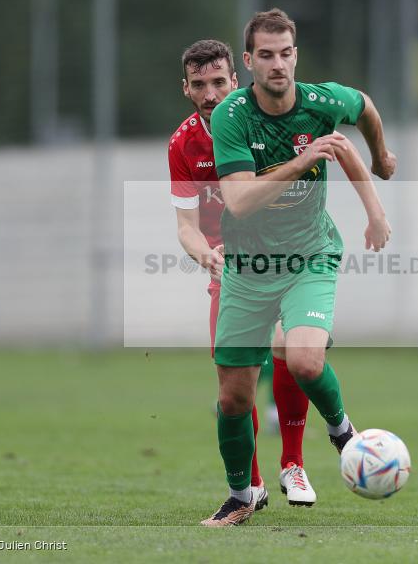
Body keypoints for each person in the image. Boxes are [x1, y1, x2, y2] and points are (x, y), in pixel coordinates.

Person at [201, 8, 395, 527]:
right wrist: (304, 161)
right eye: (265, 55)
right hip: (247, 266)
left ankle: (341, 432)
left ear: (295, 56)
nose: (278, 64)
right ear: (248, 61)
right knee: (233, 394)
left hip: (309, 255)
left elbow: (366, 108)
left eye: (285, 53)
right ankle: (242, 496)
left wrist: (380, 160)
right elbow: (239, 203)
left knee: (305, 360)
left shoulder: (322, 100)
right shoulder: (232, 116)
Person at [167, 39, 317, 512]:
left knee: (290, 351)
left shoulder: (266, 123)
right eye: (199, 85)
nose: (210, 94)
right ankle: (250, 488)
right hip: (230, 271)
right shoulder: (182, 145)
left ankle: (292, 462)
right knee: (235, 389)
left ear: (236, 81)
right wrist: (206, 255)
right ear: (186, 89)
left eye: (218, 82)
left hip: (285, 259)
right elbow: (186, 228)